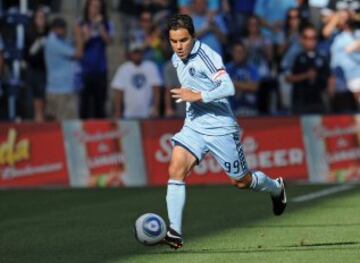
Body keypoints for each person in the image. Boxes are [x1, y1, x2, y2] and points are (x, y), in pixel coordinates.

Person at [162, 14, 287, 249]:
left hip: (220, 126)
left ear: (194, 37)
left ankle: (276, 187)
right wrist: (193, 100)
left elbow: (228, 87)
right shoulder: (176, 59)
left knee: (241, 181)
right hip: (194, 125)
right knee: (176, 168)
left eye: (183, 40)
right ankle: (175, 232)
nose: (178, 46)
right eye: (174, 41)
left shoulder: (207, 56)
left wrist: (198, 96)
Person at [77, 0, 114, 119]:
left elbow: (109, 41)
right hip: (85, 70)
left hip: (100, 69)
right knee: (84, 106)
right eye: (93, 6)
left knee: (100, 105)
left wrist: (100, 28)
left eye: (98, 7)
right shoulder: (81, 23)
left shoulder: (107, 24)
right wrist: (88, 32)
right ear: (88, 7)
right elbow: (79, 46)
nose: (95, 9)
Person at [44, 17, 83, 121]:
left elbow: (74, 45)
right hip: (61, 91)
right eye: (63, 29)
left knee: (58, 127)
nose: (65, 31)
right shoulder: (53, 42)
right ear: (55, 29)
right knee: (69, 126)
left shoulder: (60, 41)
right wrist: (79, 34)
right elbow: (78, 53)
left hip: (60, 89)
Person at [286, 24, 330, 113]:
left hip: (318, 102)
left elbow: (328, 77)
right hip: (300, 102)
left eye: (313, 38)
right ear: (301, 39)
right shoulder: (294, 56)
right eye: (306, 37)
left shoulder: (322, 57)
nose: (310, 41)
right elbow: (287, 77)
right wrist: (306, 76)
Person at [111, 42, 162, 119]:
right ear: (130, 54)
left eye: (139, 53)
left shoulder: (151, 67)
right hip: (128, 115)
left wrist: (156, 108)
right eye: (135, 53)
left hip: (148, 114)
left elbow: (156, 89)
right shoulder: (123, 69)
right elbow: (118, 93)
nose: (137, 55)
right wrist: (118, 112)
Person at [25, 6, 49, 122]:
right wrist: (38, 44)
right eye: (38, 17)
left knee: (45, 103)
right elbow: (28, 56)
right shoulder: (30, 35)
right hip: (36, 72)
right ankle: (39, 123)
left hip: (48, 71)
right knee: (38, 102)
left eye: (43, 17)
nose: (41, 20)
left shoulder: (49, 34)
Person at [226, 42, 260, 116]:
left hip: (250, 110)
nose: (238, 55)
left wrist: (233, 84)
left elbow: (255, 87)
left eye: (240, 52)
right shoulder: (227, 68)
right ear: (232, 53)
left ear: (245, 54)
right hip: (232, 110)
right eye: (236, 52)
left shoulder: (252, 68)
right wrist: (245, 85)